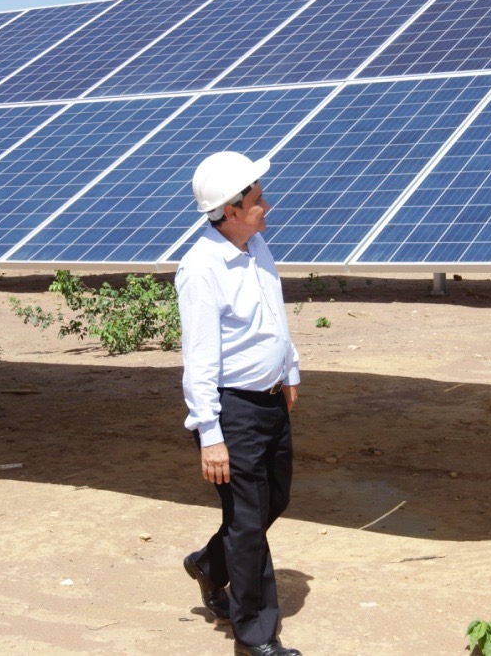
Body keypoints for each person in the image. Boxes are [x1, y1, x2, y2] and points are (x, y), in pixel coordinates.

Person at [176, 151, 302, 656]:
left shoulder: (255, 246)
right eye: (256, 200)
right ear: (229, 210)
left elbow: (274, 313)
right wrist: (211, 435)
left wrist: (288, 369)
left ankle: (210, 564)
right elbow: (200, 359)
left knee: (275, 501)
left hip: (271, 402)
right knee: (249, 523)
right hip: (234, 412)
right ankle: (255, 638)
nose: (266, 206)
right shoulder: (201, 269)